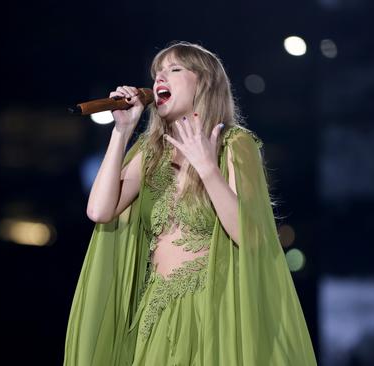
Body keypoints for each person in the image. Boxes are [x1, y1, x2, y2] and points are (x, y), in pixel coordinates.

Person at [63, 41, 317, 365]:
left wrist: (208, 168)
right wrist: (121, 132)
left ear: (205, 82)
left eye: (174, 69)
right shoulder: (151, 150)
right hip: (155, 313)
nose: (159, 79)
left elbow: (252, 236)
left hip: (211, 310)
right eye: (156, 73)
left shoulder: (234, 144)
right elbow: (99, 210)